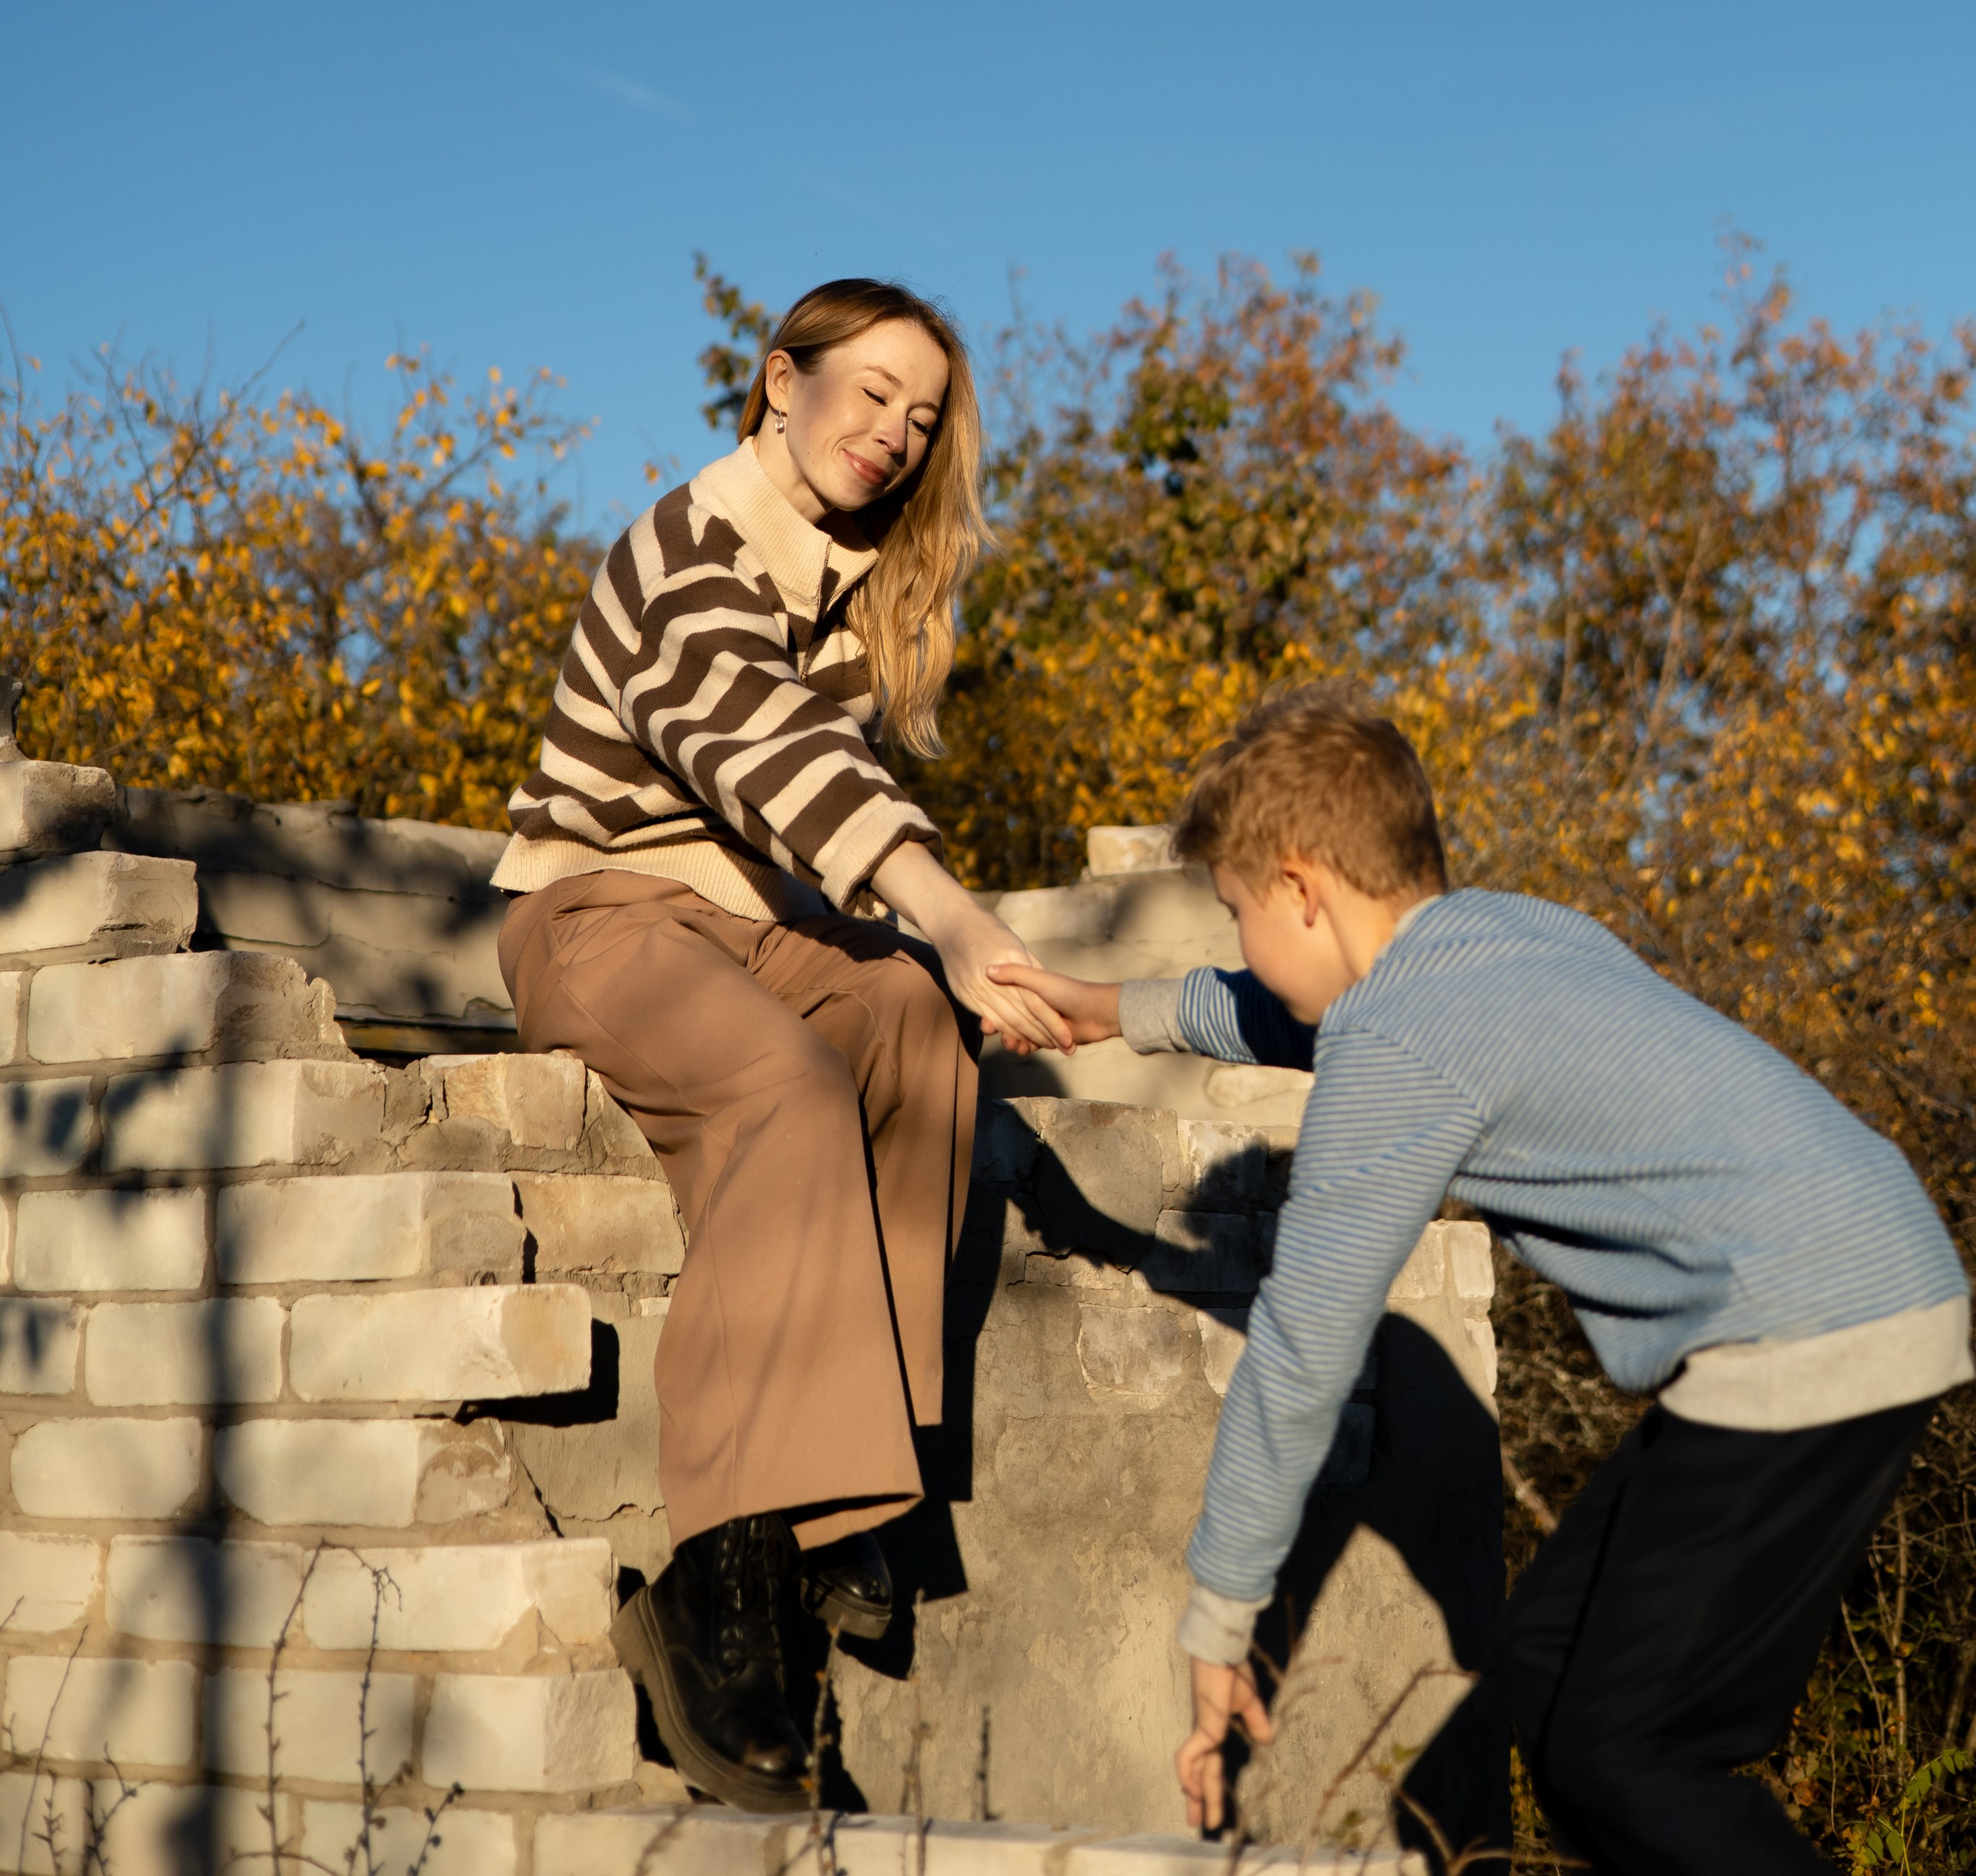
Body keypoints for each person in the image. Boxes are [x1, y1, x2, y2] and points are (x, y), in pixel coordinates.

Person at [992, 685, 1971, 1874]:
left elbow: (1302, 1356)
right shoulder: (1506, 935)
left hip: (1810, 1326)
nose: (1237, 942)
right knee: (1552, 1673)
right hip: (1860, 1270)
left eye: (1238, 911)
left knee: (1625, 1755)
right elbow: (1304, 1010)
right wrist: (1116, 1012)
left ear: (1302, 887)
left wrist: (1217, 1618)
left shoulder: (1397, 1045)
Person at [494, 278, 1064, 1811]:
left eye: (921, 416)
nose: (893, 432)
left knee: (905, 1025)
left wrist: (952, 970)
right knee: (788, 1081)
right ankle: (725, 1572)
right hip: (599, 922)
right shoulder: (690, 548)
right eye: (869, 392)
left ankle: (842, 1496)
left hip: (751, 938)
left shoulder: (850, 593)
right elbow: (767, 758)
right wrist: (949, 911)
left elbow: (815, 841)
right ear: (777, 381)